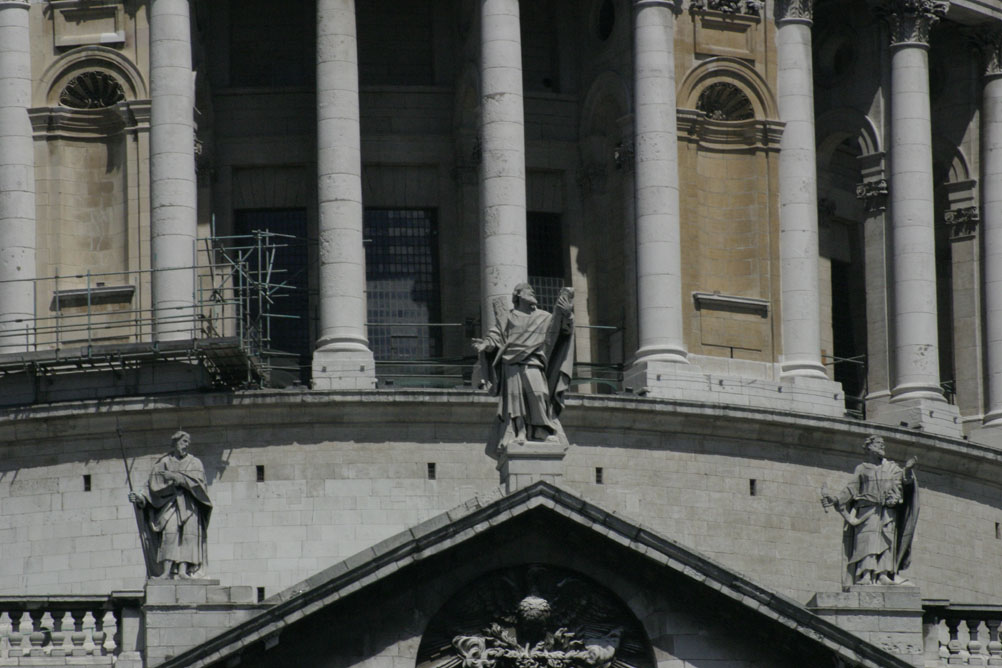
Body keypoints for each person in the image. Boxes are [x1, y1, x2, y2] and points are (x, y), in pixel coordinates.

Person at [473, 283, 575, 458]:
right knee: (515, 399)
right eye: (529, 290)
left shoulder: (544, 317)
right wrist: (486, 345)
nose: (533, 291)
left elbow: (560, 331)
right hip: (511, 363)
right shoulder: (509, 317)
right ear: (518, 295)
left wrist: (567, 314)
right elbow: (497, 336)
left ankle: (542, 430)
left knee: (538, 393)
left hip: (534, 361)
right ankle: (519, 432)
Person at [821, 435, 918, 586]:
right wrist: (836, 499)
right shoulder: (862, 469)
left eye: (883, 445)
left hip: (887, 511)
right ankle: (865, 574)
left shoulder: (891, 468)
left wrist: (908, 470)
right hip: (867, 511)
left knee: (886, 541)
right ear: (869, 448)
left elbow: (904, 481)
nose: (882, 447)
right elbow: (851, 489)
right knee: (867, 543)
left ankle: (883, 575)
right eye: (879, 444)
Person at [129, 430, 212, 579]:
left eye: (188, 442)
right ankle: (166, 572)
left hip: (189, 505)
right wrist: (140, 497)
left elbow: (200, 485)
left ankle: (183, 571)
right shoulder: (163, 463)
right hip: (170, 505)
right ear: (175, 443)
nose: (186, 445)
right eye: (184, 442)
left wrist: (176, 477)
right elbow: (150, 487)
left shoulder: (195, 463)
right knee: (170, 534)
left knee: (189, 536)